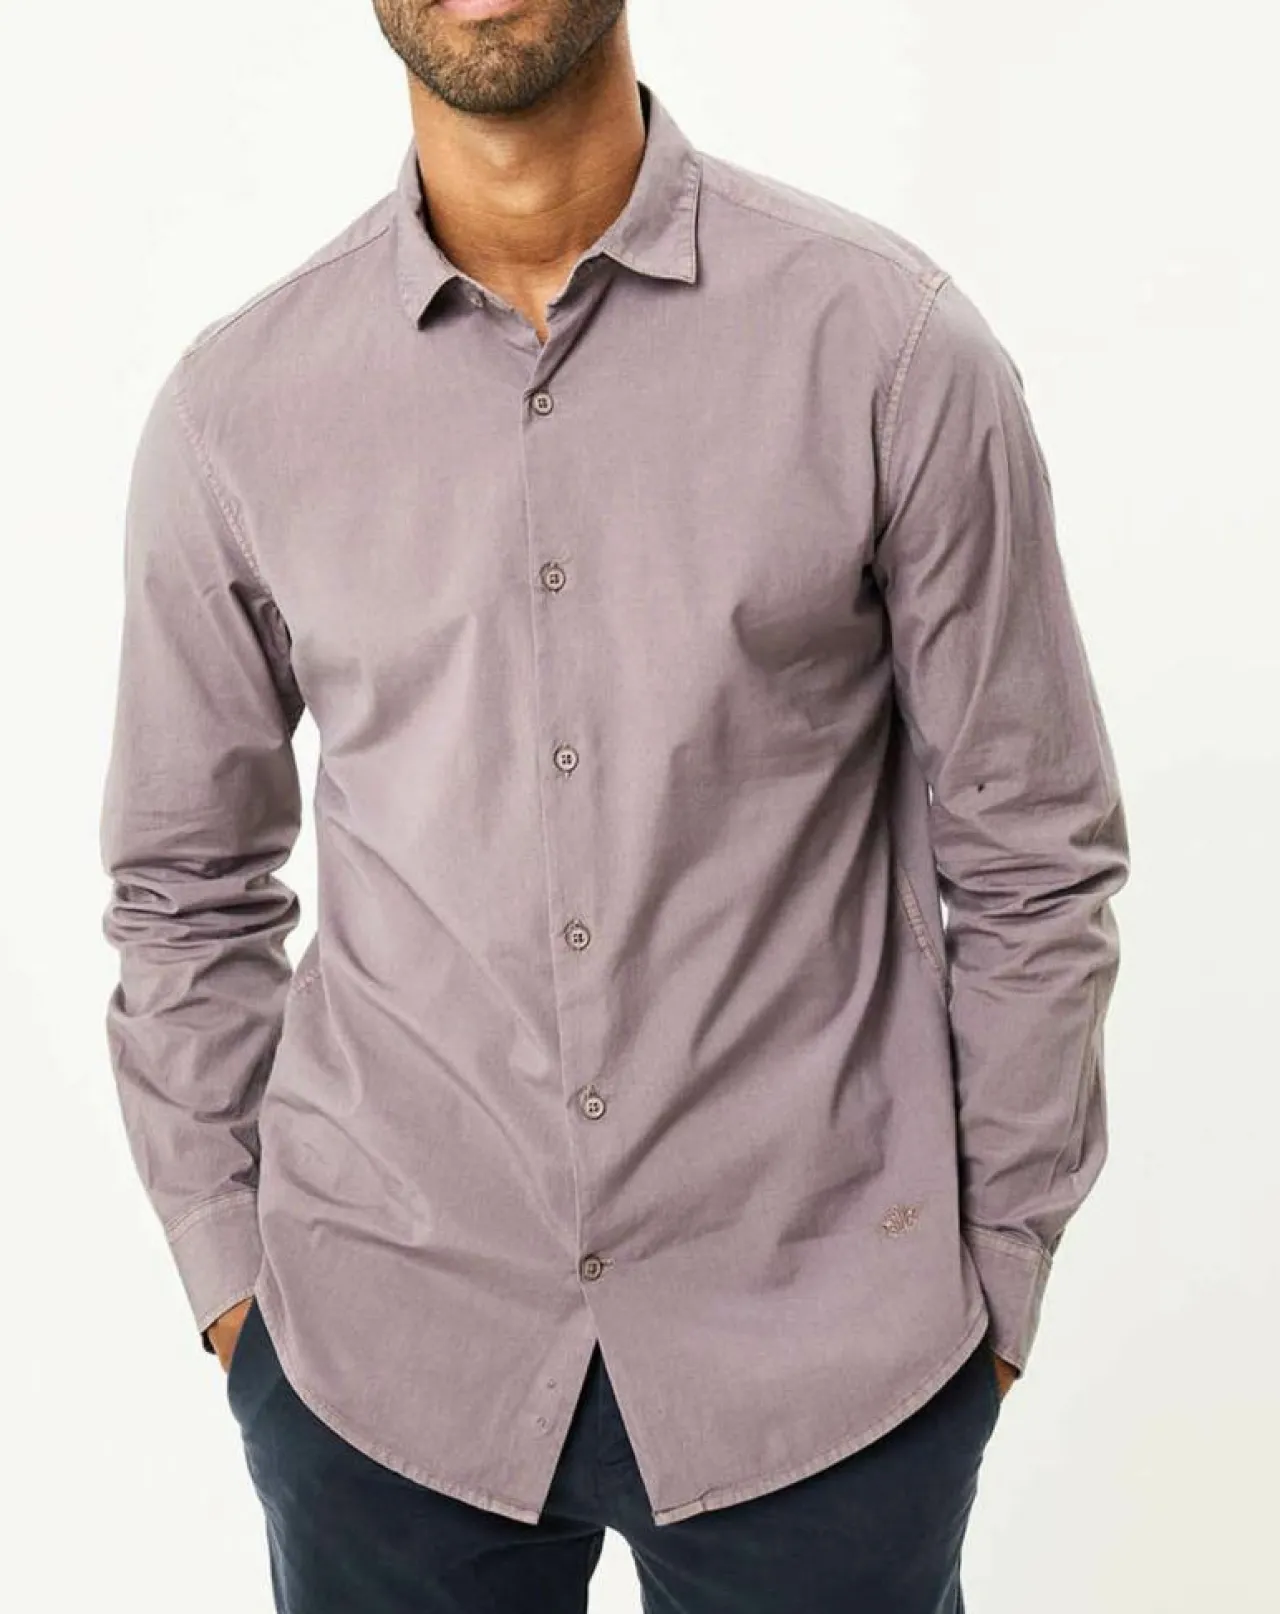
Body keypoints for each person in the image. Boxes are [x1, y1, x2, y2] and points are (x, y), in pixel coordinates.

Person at [98, 2, 1130, 1610]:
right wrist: (235, 1286)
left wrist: (999, 1269)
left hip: (829, 1361)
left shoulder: (890, 351)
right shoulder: (235, 413)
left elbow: (1034, 853)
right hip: (378, 1361)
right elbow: (183, 886)